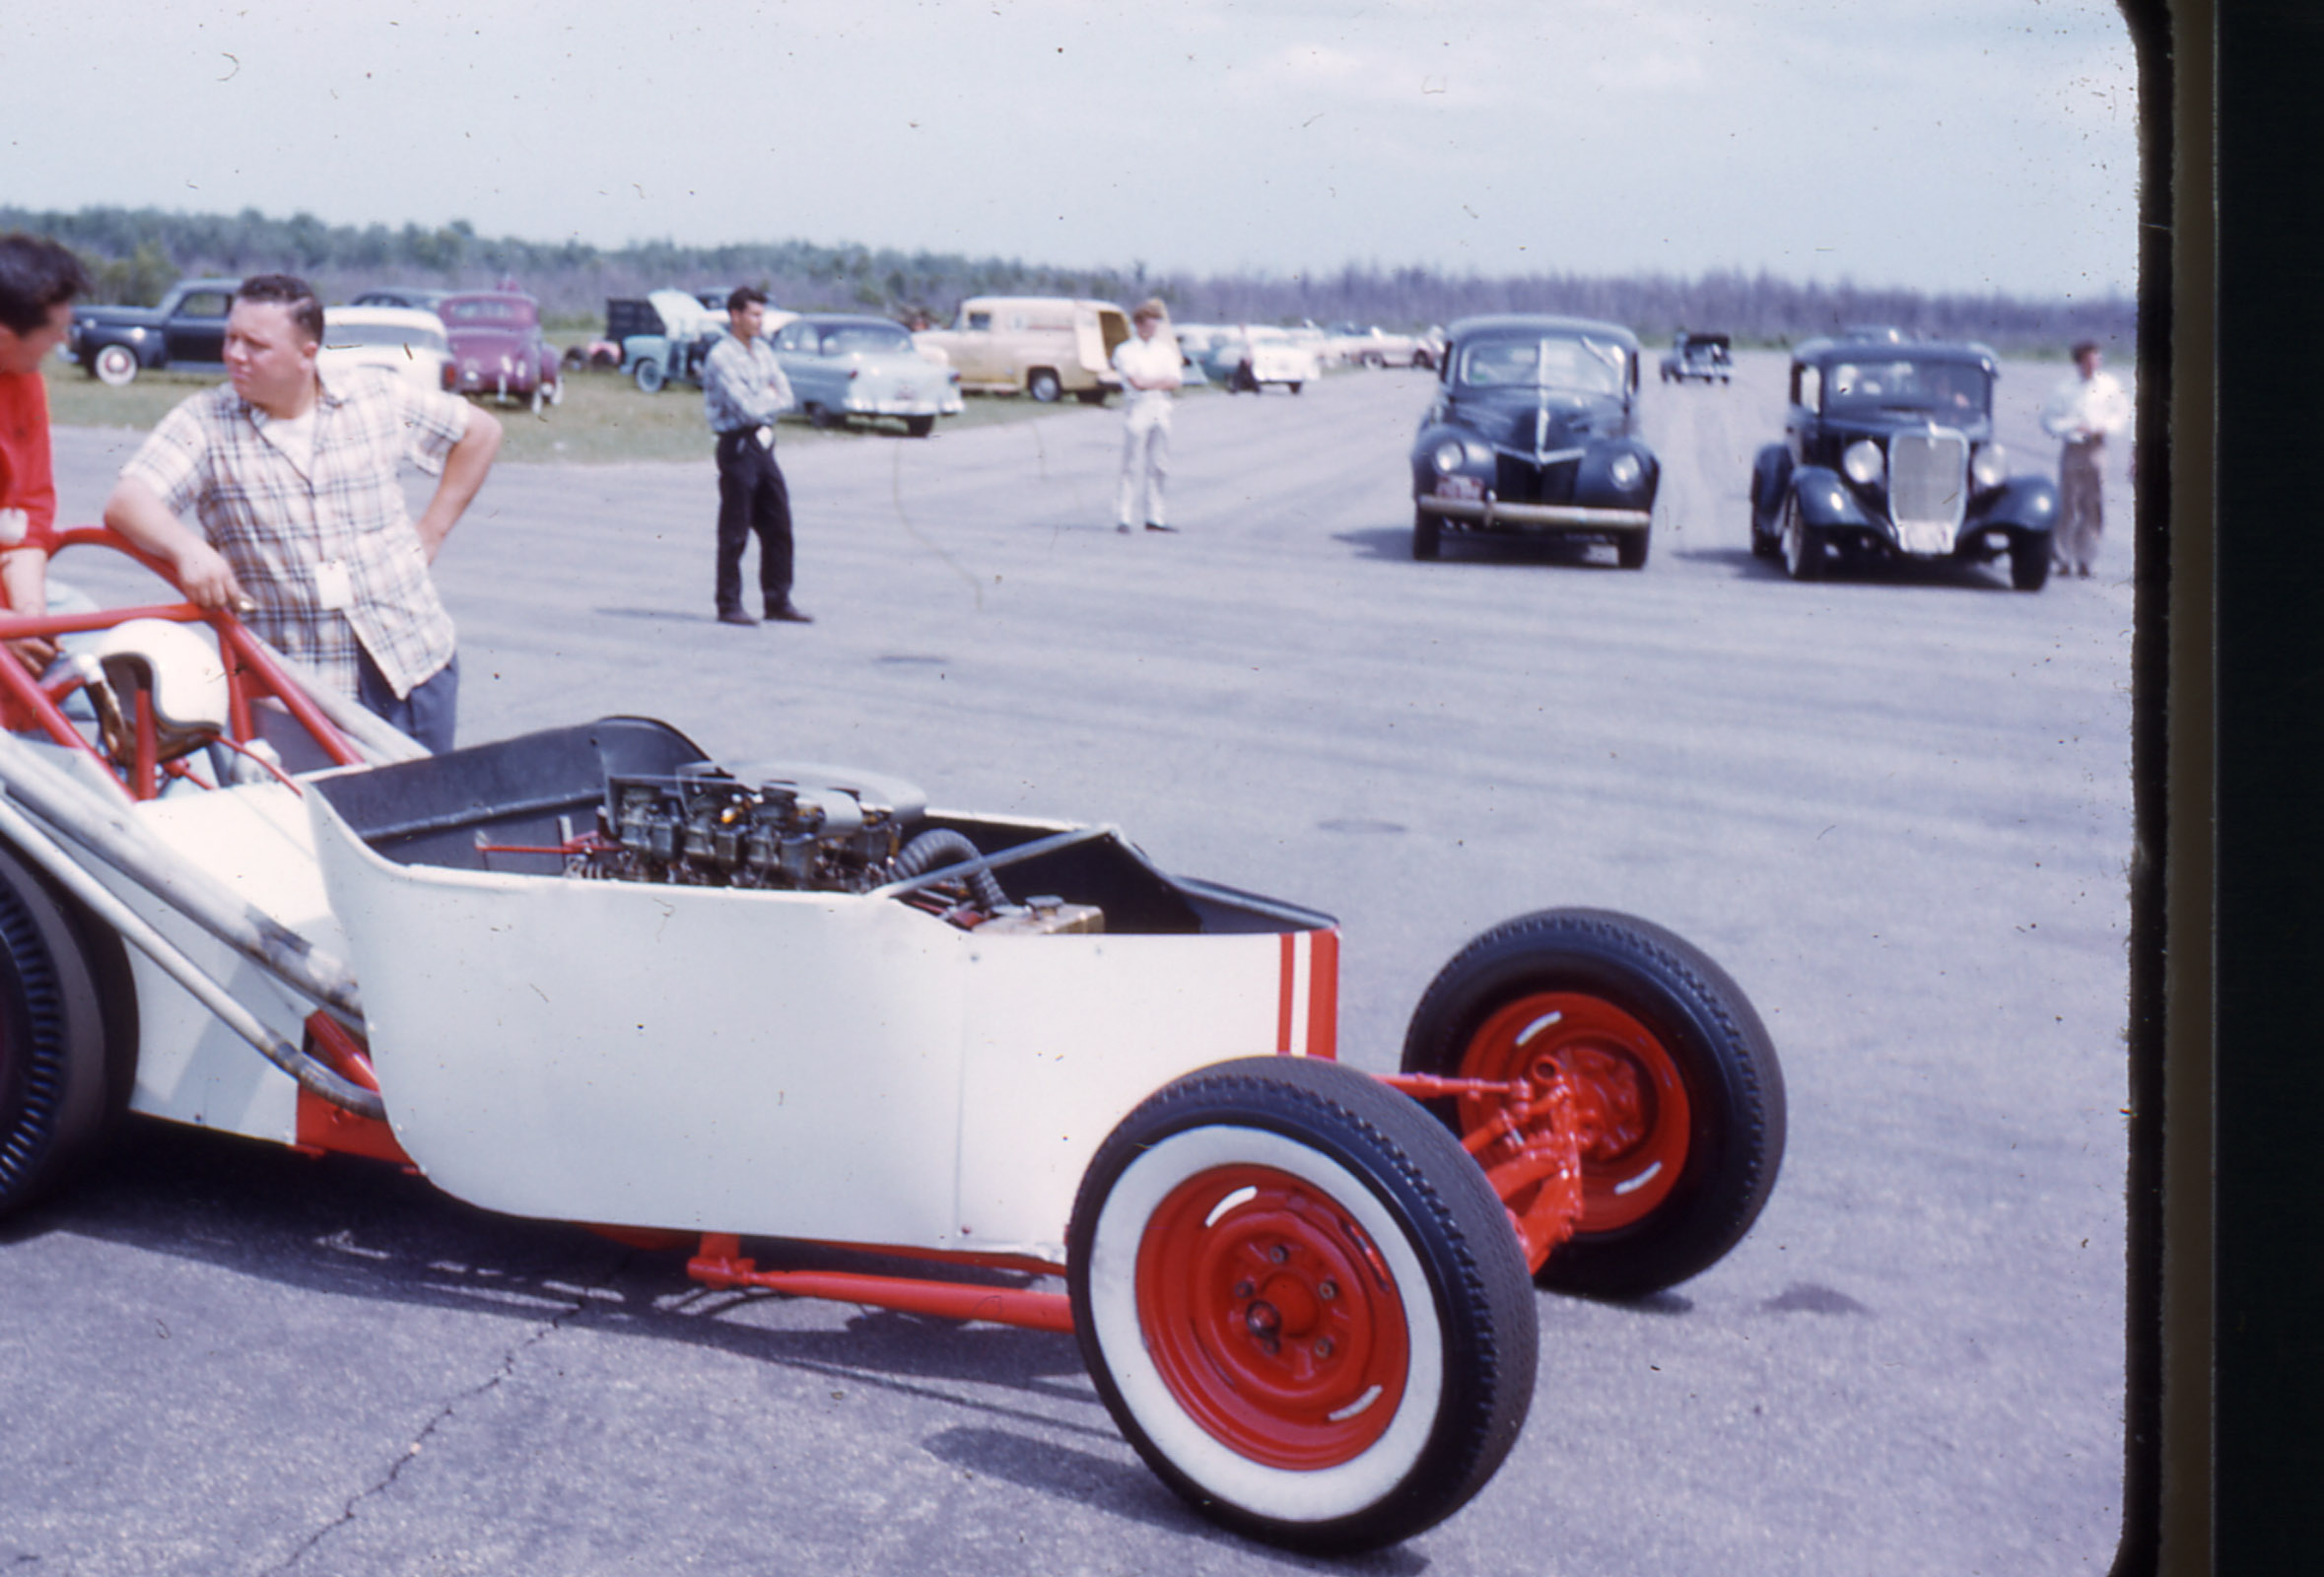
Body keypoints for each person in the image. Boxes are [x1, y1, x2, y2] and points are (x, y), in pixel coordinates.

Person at [103, 273, 502, 754]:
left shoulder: (374, 396)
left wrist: (432, 532)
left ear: (306, 354)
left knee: (426, 800)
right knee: (318, 804)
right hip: (296, 690)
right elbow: (129, 500)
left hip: (411, 662)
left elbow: (480, 432)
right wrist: (186, 548)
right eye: (230, 338)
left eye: (255, 345)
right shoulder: (206, 421)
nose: (234, 354)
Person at [0, 234, 93, 677]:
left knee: (121, 654)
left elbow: (30, 510)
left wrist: (30, 616)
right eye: (53, 332)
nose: (63, 339)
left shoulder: (25, 380)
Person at [702, 286, 809, 626]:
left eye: (762, 315)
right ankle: (729, 604)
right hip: (738, 445)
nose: (760, 321)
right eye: (754, 315)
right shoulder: (721, 357)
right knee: (735, 530)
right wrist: (769, 397)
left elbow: (788, 396)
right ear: (735, 316)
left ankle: (778, 600)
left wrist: (767, 398)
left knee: (779, 525)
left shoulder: (763, 350)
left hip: (764, 444)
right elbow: (746, 408)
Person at [2038, 340, 2132, 579]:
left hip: (2097, 450)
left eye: (2096, 358)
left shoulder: (2110, 386)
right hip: (2073, 449)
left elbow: (2121, 414)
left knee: (2093, 505)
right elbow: (2048, 420)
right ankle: (2064, 558)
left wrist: (2103, 426)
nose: (2093, 364)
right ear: (2079, 362)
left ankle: (2086, 559)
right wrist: (2072, 426)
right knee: (2068, 504)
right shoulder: (2065, 389)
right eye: (2088, 360)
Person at [1112, 299, 1183, 533]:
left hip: (1161, 407)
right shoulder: (1125, 351)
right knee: (1130, 464)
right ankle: (1124, 516)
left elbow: (1175, 381)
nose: (1152, 330)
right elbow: (1136, 382)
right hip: (1138, 406)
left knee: (1159, 464)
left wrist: (1152, 383)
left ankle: (1155, 517)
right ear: (1139, 324)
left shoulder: (1164, 351)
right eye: (1149, 325)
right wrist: (1159, 381)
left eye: (1155, 326)